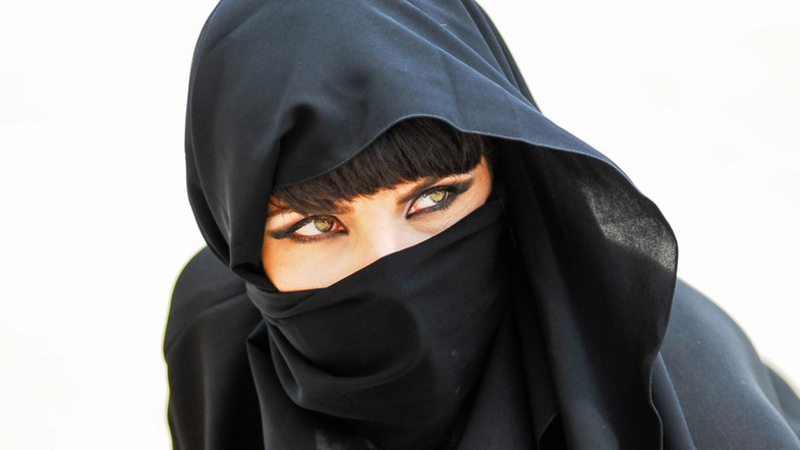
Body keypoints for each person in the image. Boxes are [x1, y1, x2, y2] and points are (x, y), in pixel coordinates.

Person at [165, 0, 800, 448]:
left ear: (506, 170)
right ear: (236, 240)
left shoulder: (672, 382)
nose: (391, 265)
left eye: (434, 199)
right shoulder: (216, 343)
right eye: (314, 225)